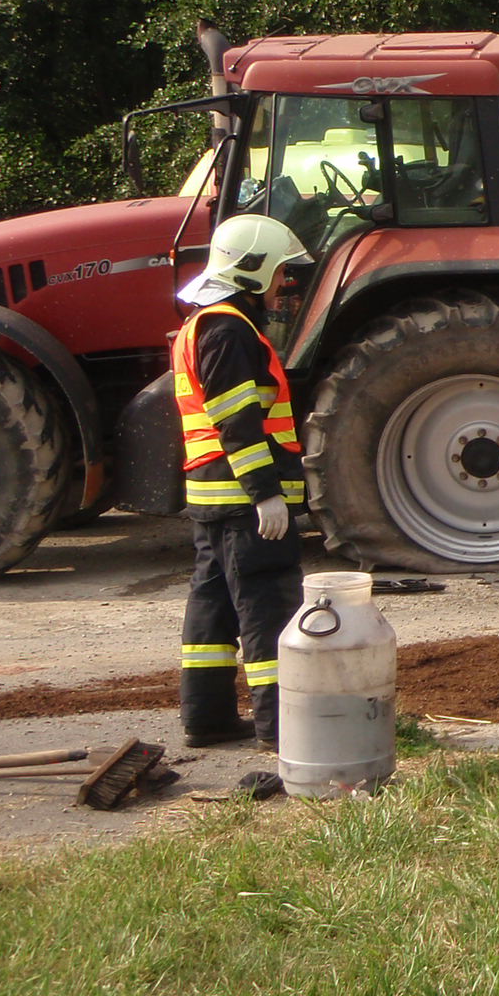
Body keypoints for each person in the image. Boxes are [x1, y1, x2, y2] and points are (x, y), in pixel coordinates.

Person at [171, 214, 313, 747]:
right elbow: (237, 419)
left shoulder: (204, 324)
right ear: (251, 271)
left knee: (212, 609)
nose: (283, 286)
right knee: (266, 606)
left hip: (213, 495)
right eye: (279, 273)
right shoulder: (229, 329)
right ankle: (282, 728)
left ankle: (205, 720)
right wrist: (267, 494)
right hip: (243, 500)